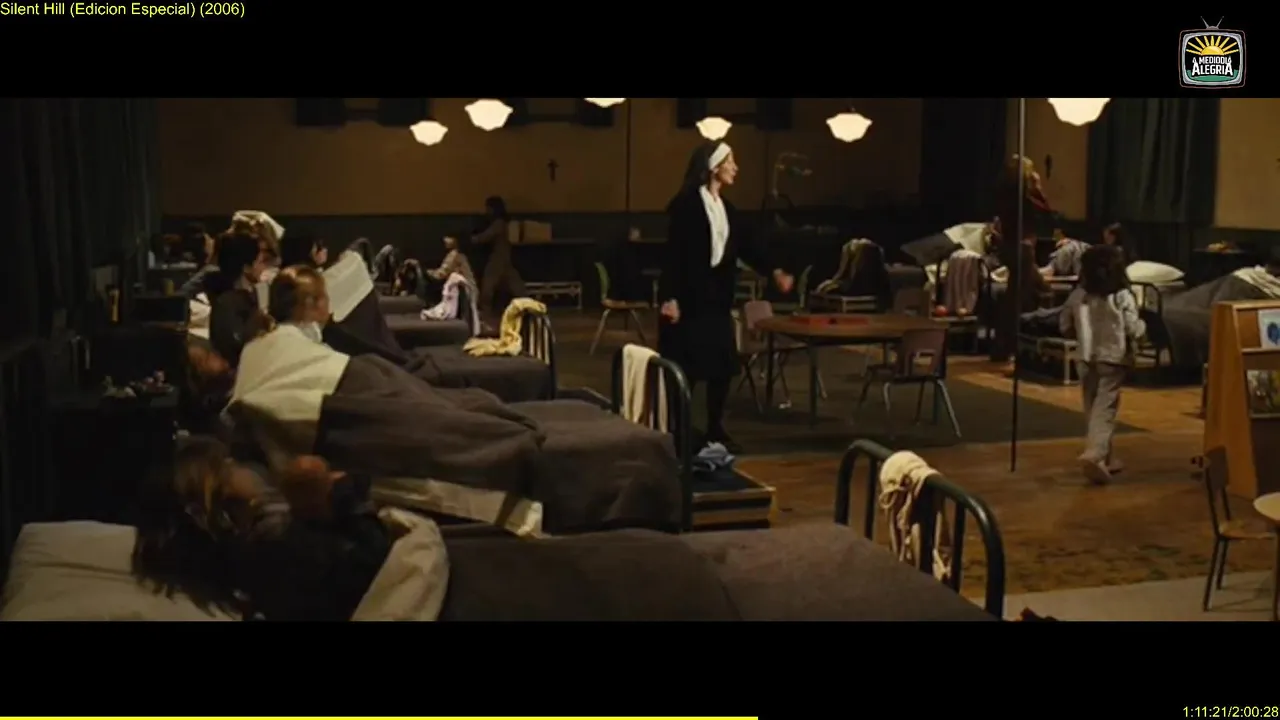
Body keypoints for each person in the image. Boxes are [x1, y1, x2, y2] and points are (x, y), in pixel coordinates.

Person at [132, 436, 392, 621]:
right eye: (228, 465)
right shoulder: (272, 543)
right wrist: (343, 496)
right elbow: (373, 561)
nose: (239, 466)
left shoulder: (253, 545)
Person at [658, 142, 794, 451]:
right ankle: (679, 430)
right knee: (687, 369)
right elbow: (674, 255)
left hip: (717, 300)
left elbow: (748, 247)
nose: (735, 167)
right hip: (689, 299)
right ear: (714, 167)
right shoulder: (686, 206)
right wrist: (670, 297)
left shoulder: (728, 209)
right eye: (730, 161)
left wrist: (773, 271)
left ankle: (715, 428)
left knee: (721, 368)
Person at [1059, 244, 1145, 485]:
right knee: (1106, 409)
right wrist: (1144, 329)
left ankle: (1106, 458)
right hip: (1113, 358)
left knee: (1092, 406)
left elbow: (1064, 324)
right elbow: (1133, 328)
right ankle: (1095, 454)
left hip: (1085, 357)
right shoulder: (1122, 296)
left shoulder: (1078, 295)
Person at [990, 155, 1052, 364]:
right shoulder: (1024, 197)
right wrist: (1038, 188)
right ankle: (1011, 345)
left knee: (1024, 294)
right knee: (1019, 299)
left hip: (1010, 246)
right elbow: (1046, 214)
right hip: (1022, 248)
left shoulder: (1004, 193)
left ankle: (1010, 345)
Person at [208, 230, 270, 368]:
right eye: (260, 262)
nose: (264, 268)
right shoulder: (229, 303)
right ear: (247, 268)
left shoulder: (246, 296)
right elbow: (236, 348)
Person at [472, 196, 525, 313]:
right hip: (505, 255)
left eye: (488, 208)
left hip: (498, 256)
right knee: (514, 283)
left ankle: (485, 309)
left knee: (488, 283)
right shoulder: (504, 222)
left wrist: (472, 239)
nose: (487, 211)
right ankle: (526, 303)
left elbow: (486, 236)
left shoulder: (498, 223)